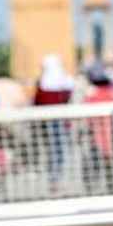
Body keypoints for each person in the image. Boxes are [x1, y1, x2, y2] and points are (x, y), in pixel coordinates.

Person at [34, 54, 74, 194]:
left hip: (50, 122)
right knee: (58, 151)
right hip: (59, 121)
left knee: (54, 151)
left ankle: (55, 180)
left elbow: (37, 102)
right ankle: (56, 180)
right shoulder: (65, 82)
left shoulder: (43, 84)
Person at [82, 65, 113, 194]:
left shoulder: (91, 93)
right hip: (110, 133)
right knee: (109, 162)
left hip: (97, 134)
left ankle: (94, 188)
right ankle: (112, 187)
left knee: (95, 162)